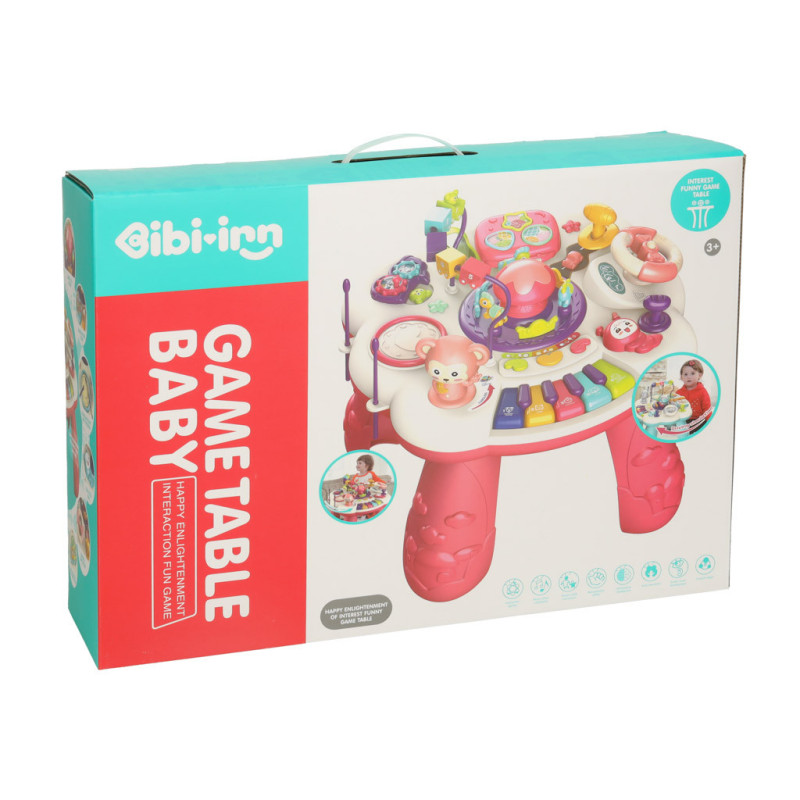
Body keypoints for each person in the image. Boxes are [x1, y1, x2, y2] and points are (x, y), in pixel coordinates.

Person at [676, 359, 711, 433]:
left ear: (699, 375)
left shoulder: (703, 392)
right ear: (681, 377)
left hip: (698, 420)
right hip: (683, 420)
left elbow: (707, 410)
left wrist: (710, 424)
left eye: (692, 373)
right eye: (685, 374)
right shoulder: (678, 393)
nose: (688, 377)